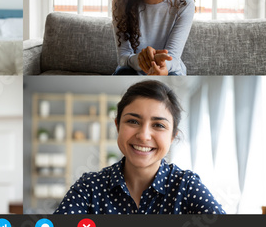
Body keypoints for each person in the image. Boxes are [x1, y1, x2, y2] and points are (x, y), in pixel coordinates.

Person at [54, 80, 225, 214]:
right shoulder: (89, 187)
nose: (144, 135)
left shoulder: (186, 187)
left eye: (158, 125)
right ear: (117, 126)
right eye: (133, 121)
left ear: (173, 136)